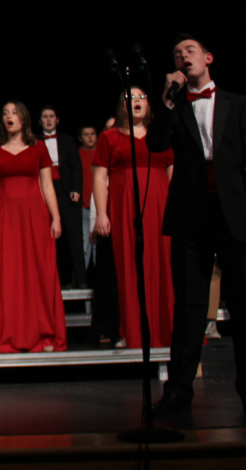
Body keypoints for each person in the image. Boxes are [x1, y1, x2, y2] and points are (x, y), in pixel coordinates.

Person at [146, 34, 246, 419]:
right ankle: (178, 392)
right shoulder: (175, 103)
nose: (182, 56)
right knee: (189, 308)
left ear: (208, 57)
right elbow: (156, 146)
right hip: (190, 215)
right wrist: (165, 101)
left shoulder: (239, 104)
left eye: (189, 51)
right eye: (176, 54)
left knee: (245, 305)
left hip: (235, 213)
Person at [92, 89, 175, 349]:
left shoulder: (162, 134)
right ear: (121, 107)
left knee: (164, 264)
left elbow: (173, 173)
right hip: (125, 206)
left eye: (141, 97)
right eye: (130, 98)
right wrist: (102, 214)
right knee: (131, 266)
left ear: (150, 105)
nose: (136, 101)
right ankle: (135, 332)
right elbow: (98, 177)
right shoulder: (110, 136)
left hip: (160, 206)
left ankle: (169, 330)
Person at [0, 101, 67, 353]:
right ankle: (8, 335)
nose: (10, 116)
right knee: (7, 275)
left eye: (14, 112)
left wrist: (56, 217)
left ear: (24, 118)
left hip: (34, 216)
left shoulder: (38, 148)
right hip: (4, 216)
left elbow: (47, 185)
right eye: (5, 113)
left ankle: (44, 333)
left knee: (39, 272)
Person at [37, 106, 85, 290]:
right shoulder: (34, 141)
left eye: (51, 117)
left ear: (57, 120)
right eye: (45, 117)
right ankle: (47, 281)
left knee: (74, 238)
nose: (48, 120)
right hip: (43, 192)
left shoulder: (67, 140)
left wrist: (76, 189)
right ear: (40, 121)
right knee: (46, 238)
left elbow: (76, 166)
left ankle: (80, 279)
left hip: (66, 191)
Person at [78, 125, 99, 271]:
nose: (90, 137)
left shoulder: (101, 152)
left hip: (100, 206)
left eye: (92, 134)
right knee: (84, 243)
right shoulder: (77, 153)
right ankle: (82, 278)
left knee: (99, 245)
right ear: (80, 138)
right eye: (86, 134)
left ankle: (101, 280)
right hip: (83, 206)